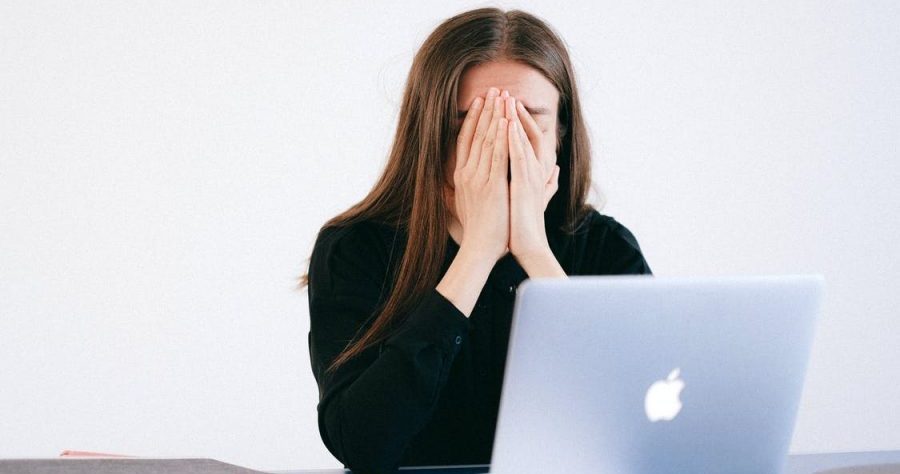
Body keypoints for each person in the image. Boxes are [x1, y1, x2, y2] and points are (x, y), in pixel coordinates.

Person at [296, 7, 653, 474]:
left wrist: (533, 251)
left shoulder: (606, 247)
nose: (502, 144)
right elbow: (362, 443)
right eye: (474, 124)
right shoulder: (355, 249)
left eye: (529, 122)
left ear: (561, 134)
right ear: (430, 133)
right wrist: (477, 254)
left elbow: (638, 425)